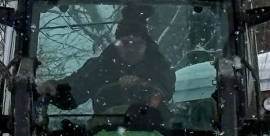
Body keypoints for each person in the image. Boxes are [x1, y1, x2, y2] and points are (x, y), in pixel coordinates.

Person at [43, 16, 175, 117]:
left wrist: (142, 85)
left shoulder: (160, 67)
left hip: (155, 130)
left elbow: (164, 91)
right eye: (125, 43)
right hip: (104, 130)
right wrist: (55, 90)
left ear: (146, 46)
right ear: (116, 45)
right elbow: (74, 93)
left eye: (136, 43)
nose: (130, 49)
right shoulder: (98, 67)